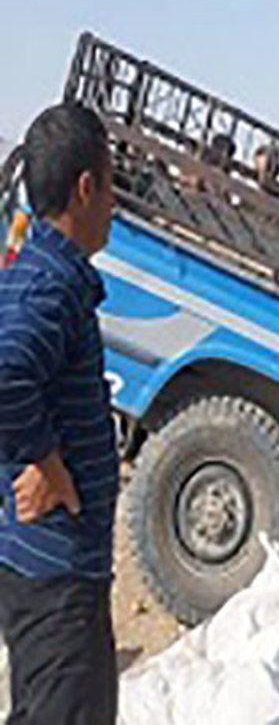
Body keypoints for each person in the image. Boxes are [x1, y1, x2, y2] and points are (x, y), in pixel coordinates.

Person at [0, 103, 119, 724]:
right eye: (110, 184)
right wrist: (45, 458)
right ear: (84, 187)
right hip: (55, 576)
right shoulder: (49, 284)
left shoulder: (37, 269)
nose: (114, 205)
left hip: (51, 569)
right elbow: (4, 375)